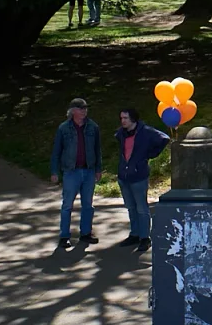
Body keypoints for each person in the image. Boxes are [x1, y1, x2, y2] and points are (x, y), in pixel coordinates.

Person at [113, 107, 171, 250]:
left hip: (139, 176)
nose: (123, 121)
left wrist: (150, 154)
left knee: (141, 208)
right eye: (121, 118)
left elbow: (164, 138)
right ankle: (135, 234)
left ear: (133, 119)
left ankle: (145, 237)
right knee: (130, 207)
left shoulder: (145, 131)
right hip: (124, 175)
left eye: (125, 118)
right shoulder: (121, 134)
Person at [50, 98, 102, 248]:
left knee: (88, 205)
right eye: (81, 108)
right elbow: (56, 152)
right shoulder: (64, 128)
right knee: (67, 205)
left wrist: (98, 169)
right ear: (73, 111)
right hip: (71, 172)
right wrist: (54, 171)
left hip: (88, 170)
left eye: (85, 108)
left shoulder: (93, 127)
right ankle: (64, 236)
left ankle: (86, 233)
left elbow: (97, 150)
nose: (84, 111)